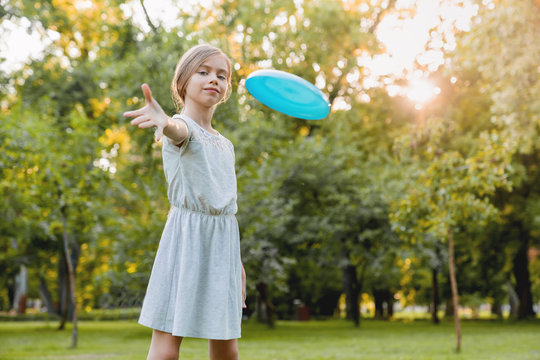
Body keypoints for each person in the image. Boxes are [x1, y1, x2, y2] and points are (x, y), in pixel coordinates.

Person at [123, 44, 247, 360]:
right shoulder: (182, 128)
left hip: (223, 245)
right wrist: (163, 121)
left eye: (222, 75)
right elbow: (176, 132)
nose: (213, 79)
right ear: (183, 82)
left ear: (227, 88)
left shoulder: (225, 145)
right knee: (166, 348)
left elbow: (226, 206)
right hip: (186, 240)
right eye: (203, 72)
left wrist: (238, 266)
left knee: (227, 349)